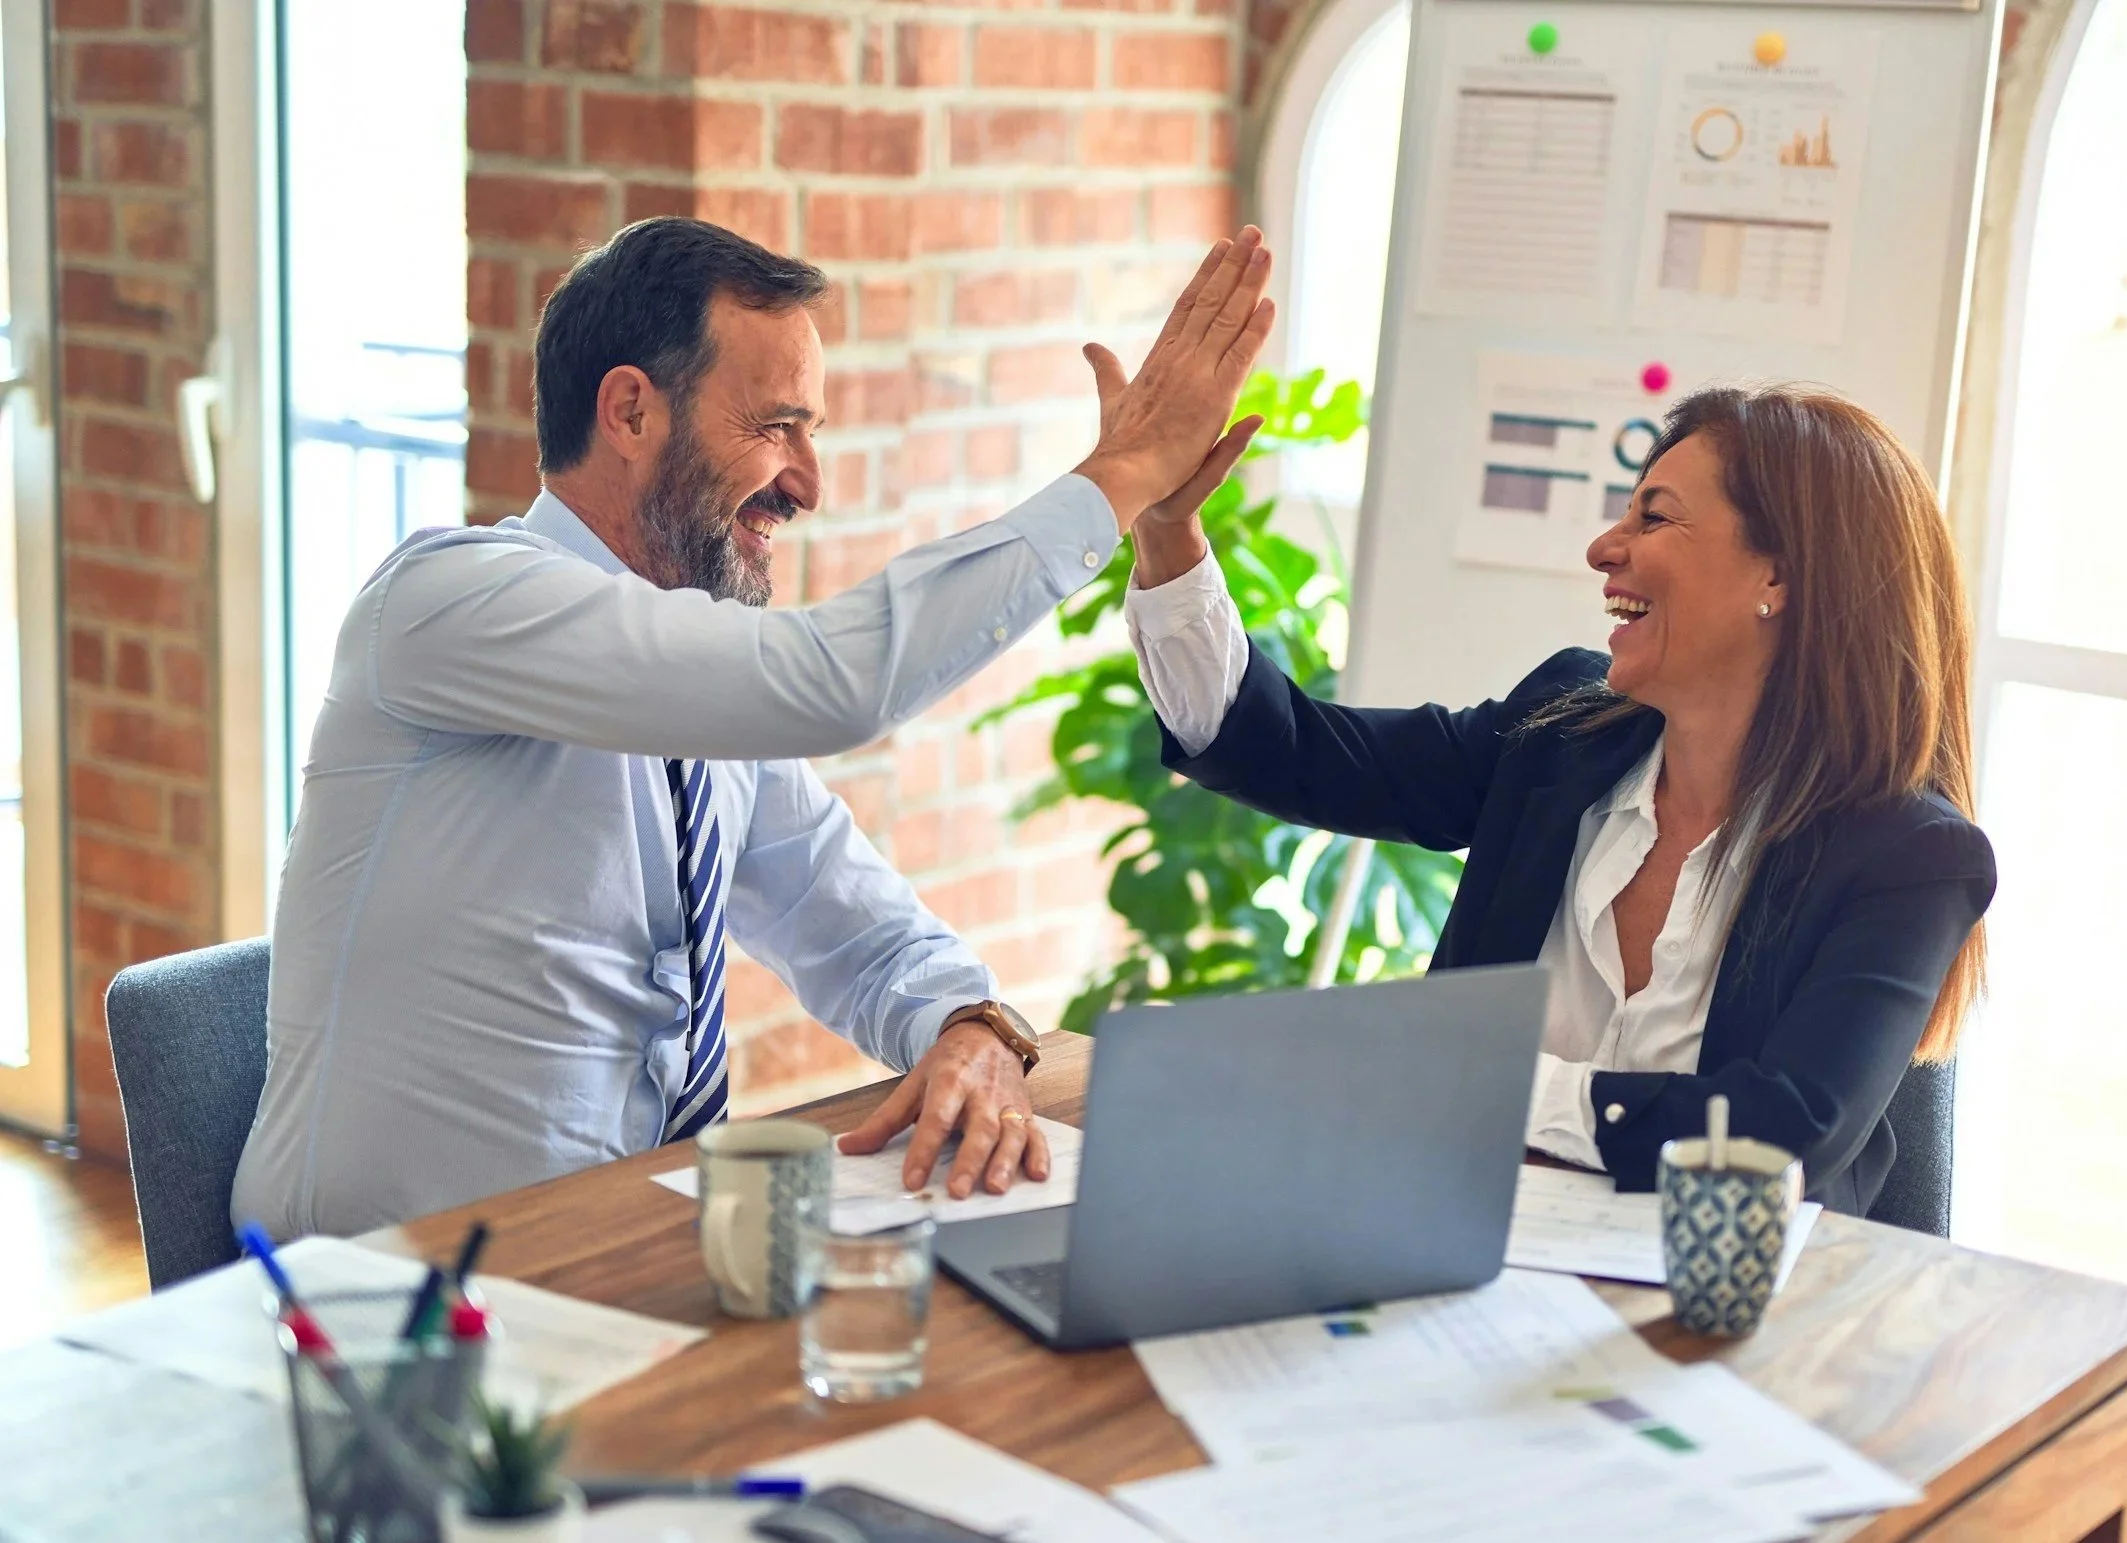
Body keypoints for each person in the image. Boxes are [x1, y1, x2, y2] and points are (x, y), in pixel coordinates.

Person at [234, 217, 1276, 1238]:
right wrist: (1123, 474)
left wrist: (971, 1027)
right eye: (778, 425)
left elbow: (856, 927)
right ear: (632, 412)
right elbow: (835, 682)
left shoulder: (697, 698)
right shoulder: (449, 602)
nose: (808, 484)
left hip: (616, 1259)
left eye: (811, 432)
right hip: (381, 1302)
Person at [1125, 384, 1994, 1215]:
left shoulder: (1909, 857)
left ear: (1779, 577)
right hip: (1461, 1254)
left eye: (1653, 516)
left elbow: (1777, 1137)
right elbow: (1290, 750)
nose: (1604, 548)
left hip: (1732, 1321)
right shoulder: (1561, 736)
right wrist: (1169, 532)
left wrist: (1484, 1082)